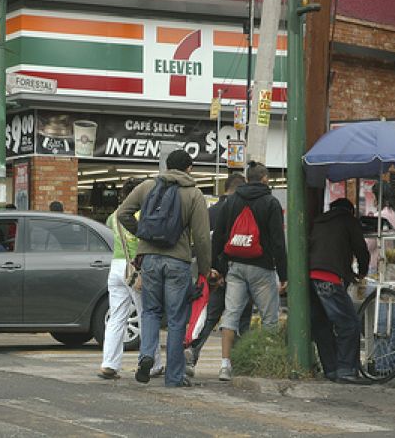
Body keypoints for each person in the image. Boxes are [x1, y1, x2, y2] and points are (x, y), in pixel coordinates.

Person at [118, 149, 212, 388]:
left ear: (167, 166)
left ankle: (147, 355)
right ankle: (174, 376)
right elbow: (201, 238)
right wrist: (204, 269)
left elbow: (123, 213)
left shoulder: (147, 187)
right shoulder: (193, 194)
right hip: (177, 261)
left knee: (150, 311)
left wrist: (142, 234)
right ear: (189, 168)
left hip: (148, 259)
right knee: (176, 319)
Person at [213, 161, 287, 382]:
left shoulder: (232, 201)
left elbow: (219, 235)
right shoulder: (271, 203)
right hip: (262, 268)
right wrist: (284, 275)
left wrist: (216, 267)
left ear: (246, 179)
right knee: (269, 318)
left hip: (235, 267)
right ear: (264, 179)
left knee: (231, 315)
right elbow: (277, 242)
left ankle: (225, 365)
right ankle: (267, 362)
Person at [185, 172, 252, 376]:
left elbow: (202, 241)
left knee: (209, 317)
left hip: (214, 274)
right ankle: (238, 362)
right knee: (241, 318)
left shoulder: (210, 212)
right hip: (238, 271)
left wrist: (212, 270)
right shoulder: (241, 209)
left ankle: (192, 354)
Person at [99, 178, 163, 380]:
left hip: (116, 267)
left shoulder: (114, 215)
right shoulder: (141, 214)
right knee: (147, 315)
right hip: (135, 270)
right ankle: (152, 364)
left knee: (117, 317)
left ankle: (109, 364)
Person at [308, 198, 370, 384]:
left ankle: (331, 369)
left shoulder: (318, 221)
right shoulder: (349, 221)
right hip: (330, 277)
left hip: (311, 277)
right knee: (349, 324)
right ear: (350, 211)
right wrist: (362, 272)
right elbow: (361, 249)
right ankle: (345, 370)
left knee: (322, 325)